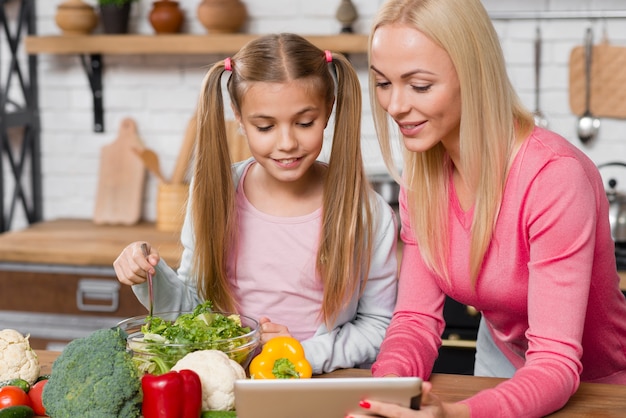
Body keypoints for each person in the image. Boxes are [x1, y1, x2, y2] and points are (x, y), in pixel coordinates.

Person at [349, 0, 626, 417]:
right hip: (499, 360)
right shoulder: (423, 177)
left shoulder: (553, 178)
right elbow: (414, 321)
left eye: (419, 85)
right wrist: (388, 392)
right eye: (383, 83)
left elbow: (555, 362)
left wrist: (458, 414)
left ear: (474, 76)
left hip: (596, 385)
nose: (395, 106)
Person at [113, 33, 399, 375]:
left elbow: (379, 325)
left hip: (321, 386)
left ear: (328, 110)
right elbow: (191, 308)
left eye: (304, 123)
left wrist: (300, 354)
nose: (287, 142)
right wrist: (148, 273)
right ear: (239, 117)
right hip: (228, 387)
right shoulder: (215, 194)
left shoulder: (367, 213)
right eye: (265, 126)